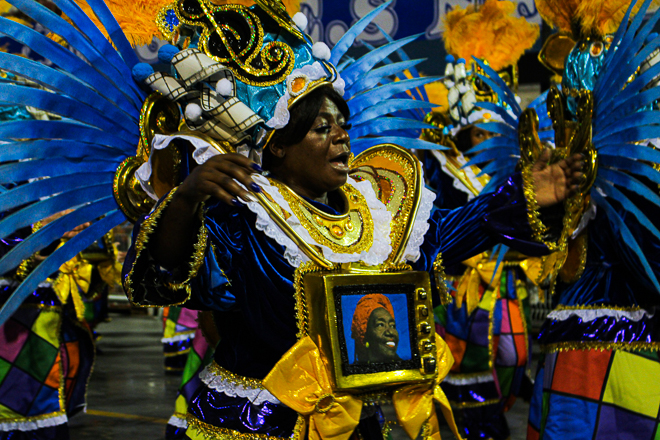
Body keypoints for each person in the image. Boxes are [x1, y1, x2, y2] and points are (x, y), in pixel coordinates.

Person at [419, 2, 544, 438]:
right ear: (464, 131)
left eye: (492, 131)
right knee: (464, 364)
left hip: (507, 281)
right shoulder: (439, 165)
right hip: (461, 285)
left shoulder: (507, 170)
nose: (486, 139)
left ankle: (493, 417)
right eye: (479, 132)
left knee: (514, 356)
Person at [351, 294, 400, 364]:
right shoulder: (356, 373)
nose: (391, 332)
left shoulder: (406, 370)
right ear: (365, 336)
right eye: (380, 325)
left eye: (392, 326)